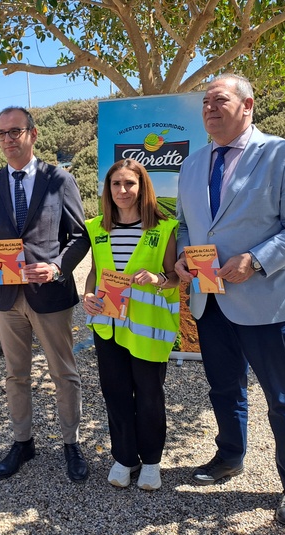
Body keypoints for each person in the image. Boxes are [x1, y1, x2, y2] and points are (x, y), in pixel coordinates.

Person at [174, 74, 285, 526]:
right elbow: (186, 226)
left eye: (219, 100)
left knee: (282, 397)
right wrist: (183, 257)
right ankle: (229, 456)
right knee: (223, 388)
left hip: (266, 302)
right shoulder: (192, 164)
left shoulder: (282, 154)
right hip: (211, 302)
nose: (209, 108)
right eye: (204, 103)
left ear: (248, 104)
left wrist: (257, 260)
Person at [0, 106, 90, 482]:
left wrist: (57, 267)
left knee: (63, 373)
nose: (8, 139)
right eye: (2, 133)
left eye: (15, 131)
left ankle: (71, 443)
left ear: (33, 134)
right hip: (6, 299)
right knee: (15, 375)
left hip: (49, 295)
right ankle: (23, 441)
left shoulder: (59, 179)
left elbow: (79, 237)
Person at [82, 159, 180, 491]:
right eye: (115, 184)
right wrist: (87, 294)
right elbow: (96, 271)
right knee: (116, 393)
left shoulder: (164, 227)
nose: (122, 191)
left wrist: (157, 278)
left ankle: (151, 460)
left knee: (149, 395)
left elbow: (176, 278)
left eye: (129, 184)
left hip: (147, 327)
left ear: (142, 187)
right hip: (108, 325)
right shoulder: (96, 227)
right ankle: (125, 457)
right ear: (107, 190)